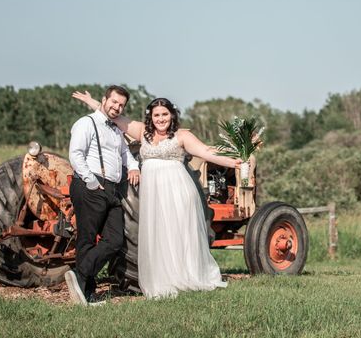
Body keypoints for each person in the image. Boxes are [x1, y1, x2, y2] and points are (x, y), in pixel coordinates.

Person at [72, 91, 240, 299]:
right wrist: (92, 102)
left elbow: (206, 151)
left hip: (178, 191)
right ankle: (165, 277)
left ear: (172, 115)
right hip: (153, 196)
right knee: (159, 234)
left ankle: (185, 274)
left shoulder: (182, 136)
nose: (161, 119)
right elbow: (112, 113)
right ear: (150, 117)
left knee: (180, 234)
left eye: (165, 115)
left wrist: (235, 162)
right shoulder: (143, 133)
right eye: (157, 115)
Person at [65, 85, 141, 306]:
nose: (117, 107)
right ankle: (86, 294)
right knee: (87, 239)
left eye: (121, 105)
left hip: (112, 189)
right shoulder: (86, 123)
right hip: (92, 185)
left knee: (115, 240)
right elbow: (76, 154)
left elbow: (125, 153)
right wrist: (91, 181)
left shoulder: (117, 130)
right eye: (114, 102)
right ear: (104, 100)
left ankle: (79, 274)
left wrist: (134, 166)